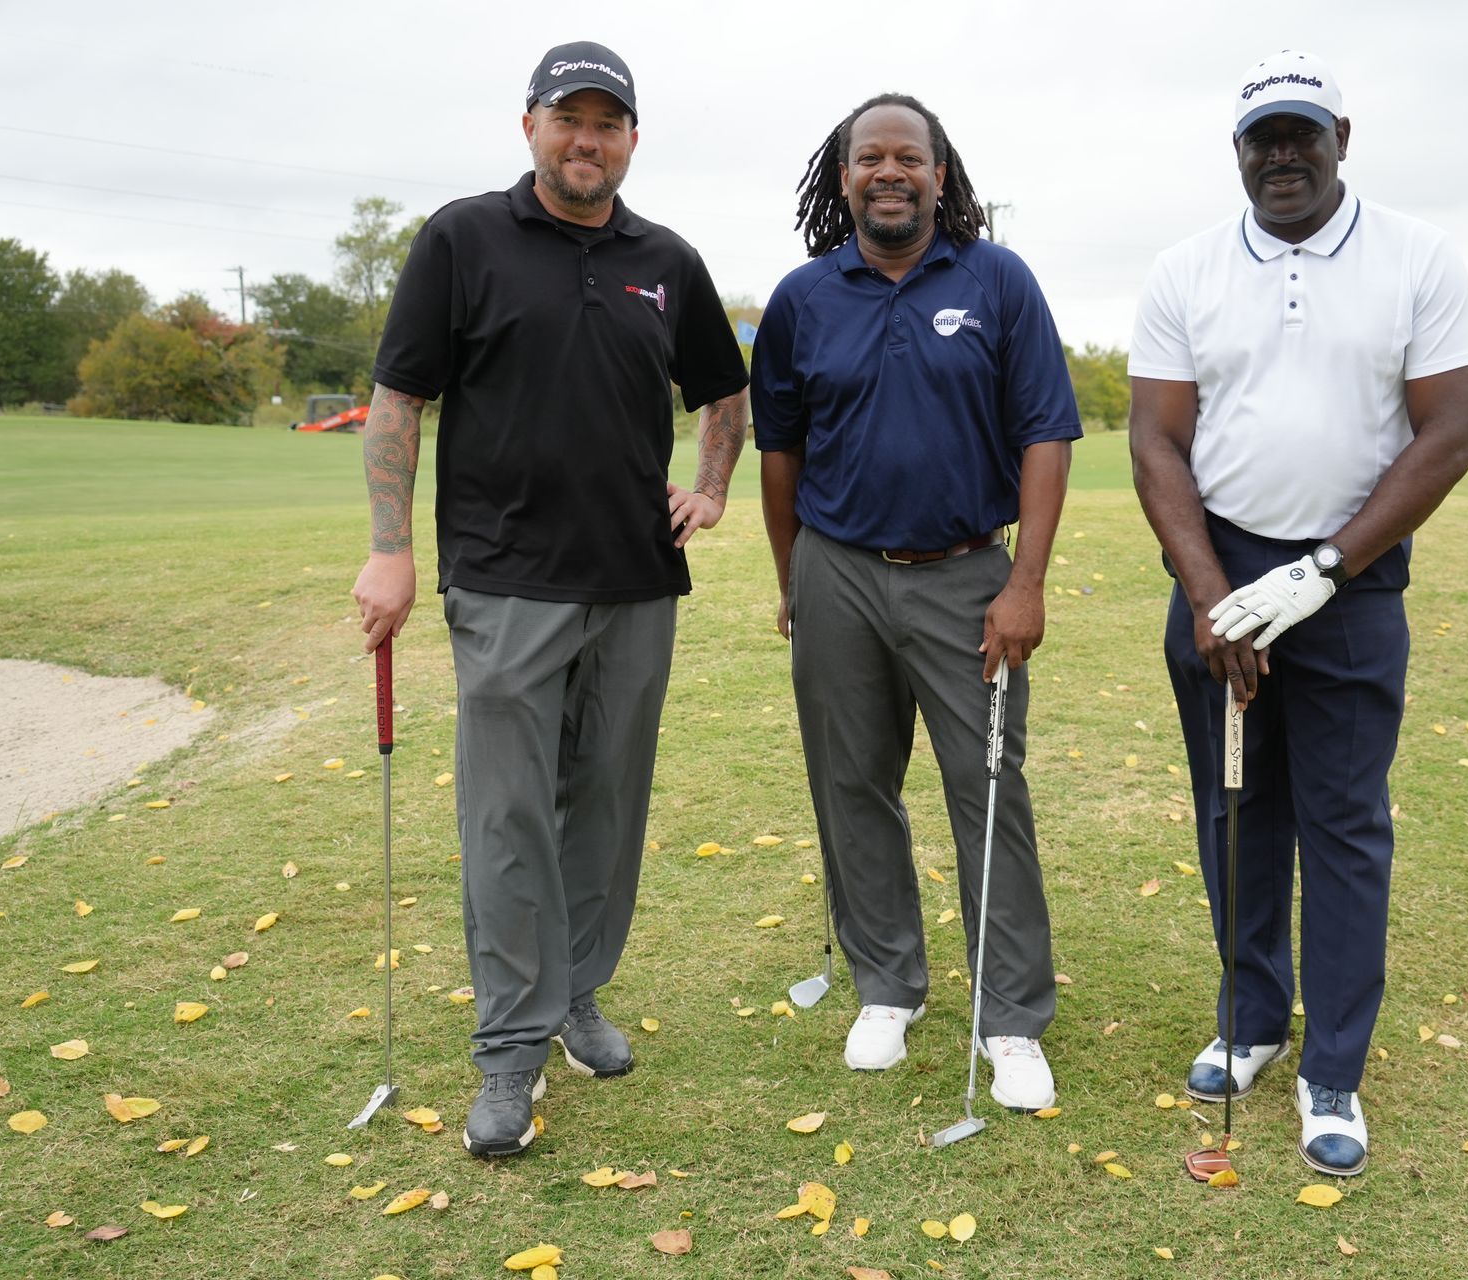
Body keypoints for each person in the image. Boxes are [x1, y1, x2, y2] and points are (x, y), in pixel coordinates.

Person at [350, 41, 751, 1158]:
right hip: (505, 579)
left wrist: (711, 487)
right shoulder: (463, 238)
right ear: (529, 125)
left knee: (605, 808)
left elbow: (725, 388)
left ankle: (577, 993)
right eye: (567, 119)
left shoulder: (664, 258)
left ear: (632, 137)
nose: (588, 139)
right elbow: (397, 401)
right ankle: (509, 1050)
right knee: (508, 815)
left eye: (607, 122)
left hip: (635, 583)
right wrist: (391, 550)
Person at [1128, 50, 1468, 1176]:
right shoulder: (1185, 269)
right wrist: (1209, 593)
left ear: (1340, 136)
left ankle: (1333, 1060)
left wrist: (1323, 569)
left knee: (1342, 823)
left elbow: (1449, 434)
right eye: (1260, 139)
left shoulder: (1418, 257)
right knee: (1237, 809)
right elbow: (1155, 441)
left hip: (1353, 575)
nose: (1282, 156)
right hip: (1220, 571)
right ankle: (1251, 1020)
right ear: (1238, 153)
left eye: (1301, 134)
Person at [751, 93, 1081, 1111]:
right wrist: (793, 578)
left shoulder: (997, 280)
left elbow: (1046, 435)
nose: (888, 171)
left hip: (967, 573)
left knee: (988, 788)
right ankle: (886, 984)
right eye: (869, 158)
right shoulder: (804, 297)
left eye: (910, 157)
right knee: (852, 783)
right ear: (841, 176)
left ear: (942, 175)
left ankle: (1012, 1017)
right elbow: (780, 456)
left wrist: (1024, 580)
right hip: (839, 567)